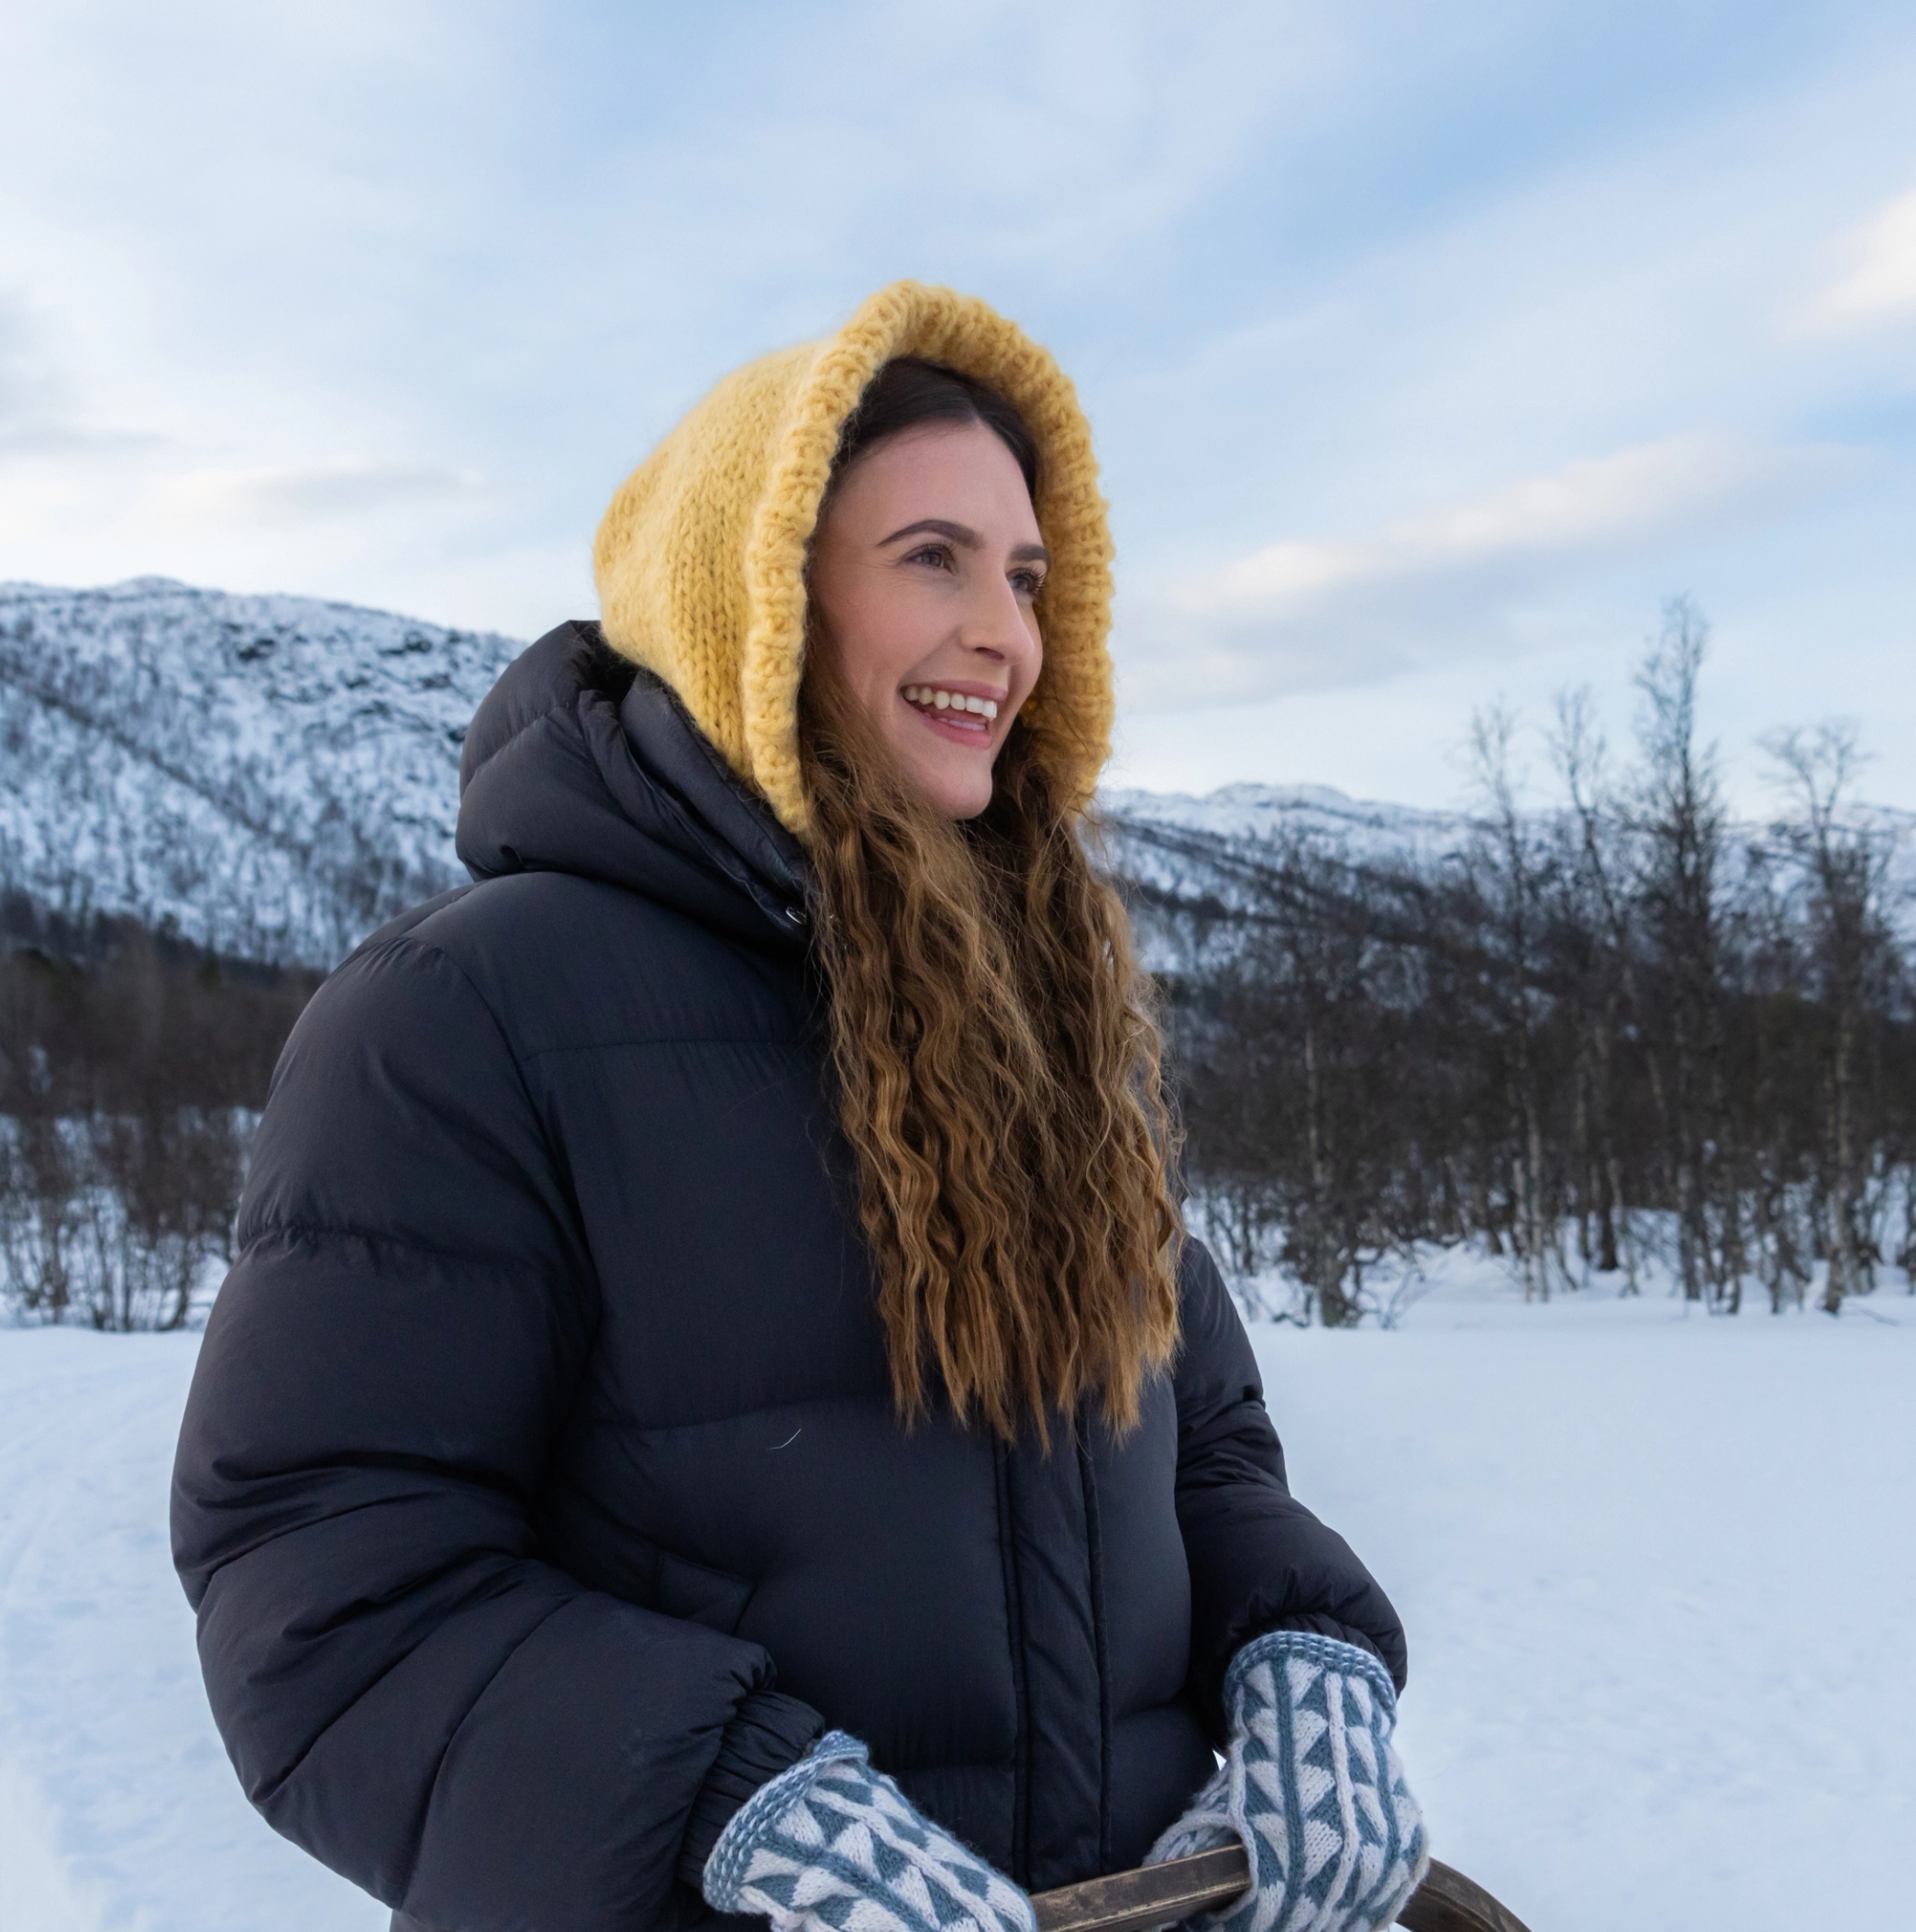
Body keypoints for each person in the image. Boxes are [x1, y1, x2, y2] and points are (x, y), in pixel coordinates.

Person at [172, 282, 1426, 1932]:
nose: (1006, 633)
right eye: (934, 559)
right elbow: (323, 1582)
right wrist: (731, 1795)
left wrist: (1301, 1640)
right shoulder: (471, 1012)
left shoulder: (1035, 1013)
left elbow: (1196, 1443)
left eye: (1029, 578)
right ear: (755, 604)